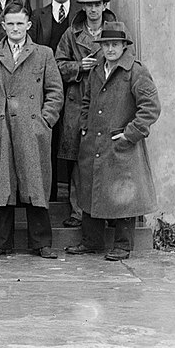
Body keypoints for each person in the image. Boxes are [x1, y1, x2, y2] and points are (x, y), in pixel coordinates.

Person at [66, 21, 160, 261]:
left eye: (115, 44)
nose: (110, 49)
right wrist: (85, 126)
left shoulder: (136, 71)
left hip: (121, 143)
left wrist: (130, 134)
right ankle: (92, 241)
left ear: (123, 45)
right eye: (106, 44)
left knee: (123, 194)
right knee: (90, 190)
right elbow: (87, 101)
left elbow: (150, 108)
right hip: (94, 142)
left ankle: (122, 245)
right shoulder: (98, 69)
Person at [0, 2, 63, 259]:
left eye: (19, 24)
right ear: (3, 26)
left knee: (35, 183)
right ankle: (1, 241)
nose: (15, 28)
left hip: (32, 127)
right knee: (4, 183)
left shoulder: (43, 53)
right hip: (2, 126)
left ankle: (41, 242)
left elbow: (55, 92)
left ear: (28, 25)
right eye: (10, 24)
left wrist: (44, 120)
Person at [54, 0, 118, 228]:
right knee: (80, 157)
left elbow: (126, 61)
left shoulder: (115, 31)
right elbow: (57, 64)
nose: (93, 9)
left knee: (106, 155)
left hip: (107, 98)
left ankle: (108, 211)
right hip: (78, 100)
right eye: (89, 5)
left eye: (97, 4)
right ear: (84, 7)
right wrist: (78, 66)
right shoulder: (72, 33)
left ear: (104, 6)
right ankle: (78, 211)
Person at [29, 0, 78, 203]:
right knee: (47, 136)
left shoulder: (78, 17)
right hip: (44, 89)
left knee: (71, 141)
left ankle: (72, 196)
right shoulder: (39, 16)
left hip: (74, 89)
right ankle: (47, 196)